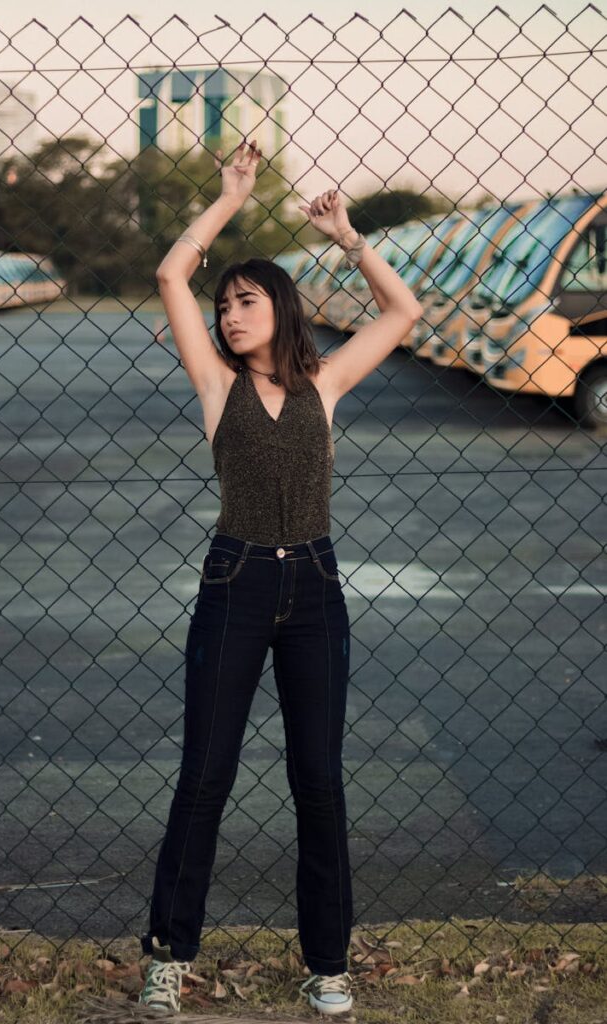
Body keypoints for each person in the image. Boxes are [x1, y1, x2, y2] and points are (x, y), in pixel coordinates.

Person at [138, 138, 423, 1016]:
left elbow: (403, 309)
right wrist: (228, 199)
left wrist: (349, 236)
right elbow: (167, 275)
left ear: (282, 309)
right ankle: (166, 957)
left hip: (315, 592)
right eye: (224, 304)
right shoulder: (214, 386)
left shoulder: (325, 384)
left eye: (247, 301)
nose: (229, 315)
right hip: (235, 585)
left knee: (318, 780)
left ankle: (327, 966)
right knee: (205, 777)